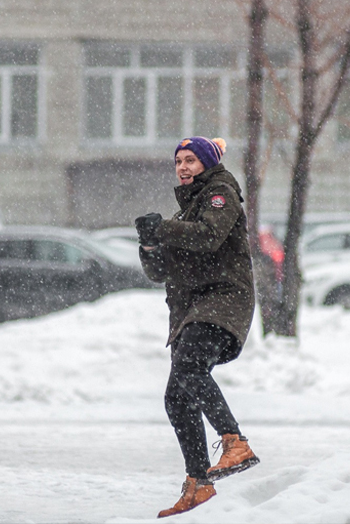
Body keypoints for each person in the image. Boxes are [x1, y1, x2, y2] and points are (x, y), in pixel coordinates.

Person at [135, 136, 259, 518]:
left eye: (190, 160)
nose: (183, 167)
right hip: (192, 311)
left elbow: (209, 237)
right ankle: (198, 482)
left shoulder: (221, 193)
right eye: (178, 162)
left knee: (189, 367)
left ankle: (234, 441)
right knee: (176, 397)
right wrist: (150, 244)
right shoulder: (184, 216)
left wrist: (165, 231)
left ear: (207, 164)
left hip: (223, 301)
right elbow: (159, 273)